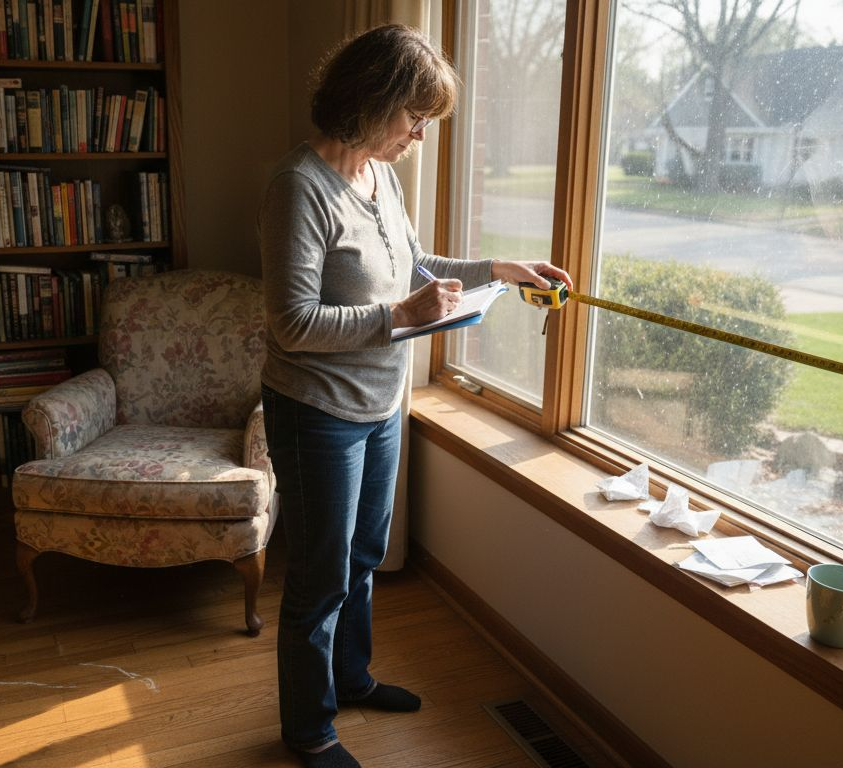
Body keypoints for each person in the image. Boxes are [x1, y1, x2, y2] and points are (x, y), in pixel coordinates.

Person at [257, 24, 573, 768]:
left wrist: (501, 268)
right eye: (415, 117)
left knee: (365, 556)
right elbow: (291, 323)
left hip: (378, 407)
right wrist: (401, 317)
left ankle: (353, 678)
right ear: (372, 102)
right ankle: (309, 729)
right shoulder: (298, 186)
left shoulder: (378, 174)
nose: (422, 135)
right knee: (319, 578)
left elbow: (411, 262)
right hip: (316, 414)